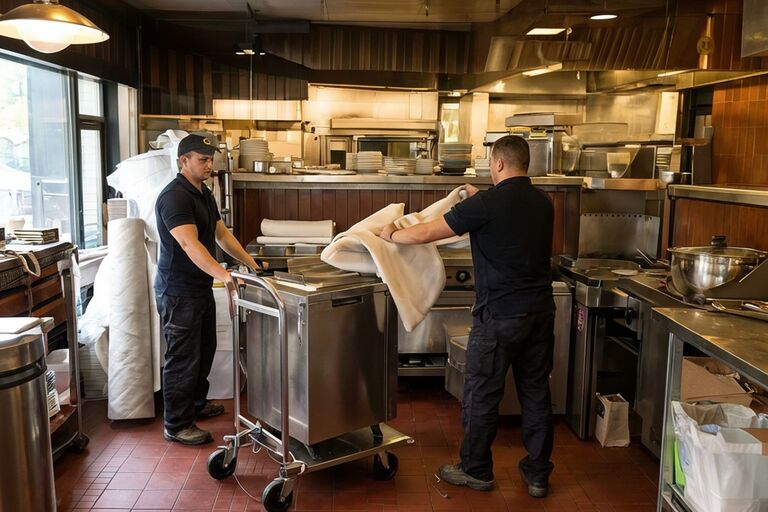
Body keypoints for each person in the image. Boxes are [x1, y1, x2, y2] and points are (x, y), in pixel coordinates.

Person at [379, 135, 555, 497]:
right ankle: (538, 475)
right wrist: (479, 199)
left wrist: (393, 232)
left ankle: (476, 470)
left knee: (481, 396)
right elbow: (511, 214)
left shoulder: (488, 204)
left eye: (492, 164)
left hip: (499, 317)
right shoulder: (543, 202)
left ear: (500, 163)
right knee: (536, 395)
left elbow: (428, 232)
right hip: (540, 312)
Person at [155, 134, 260, 445]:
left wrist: (251, 263)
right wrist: (223, 275)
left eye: (210, 158)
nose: (209, 164)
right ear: (183, 161)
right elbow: (189, 244)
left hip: (198, 287)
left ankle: (195, 407)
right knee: (183, 357)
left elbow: (222, 236)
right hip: (178, 290)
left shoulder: (203, 193)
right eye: (202, 159)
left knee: (204, 351)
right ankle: (176, 424)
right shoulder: (174, 197)